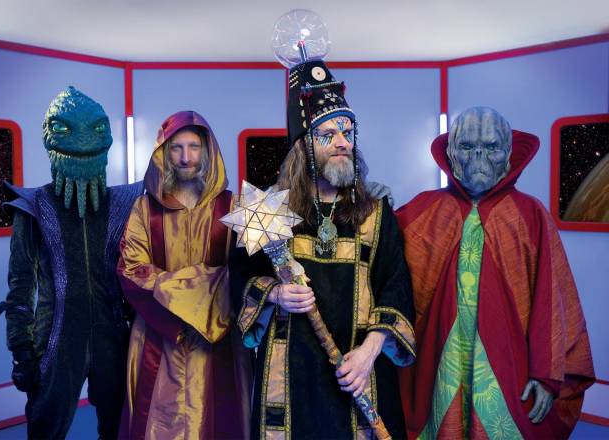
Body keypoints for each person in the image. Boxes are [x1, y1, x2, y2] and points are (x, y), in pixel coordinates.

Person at [229, 58, 416, 439]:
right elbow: (239, 280)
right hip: (291, 378)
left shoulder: (376, 214)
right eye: (328, 134)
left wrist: (368, 354)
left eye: (347, 131)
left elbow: (396, 288)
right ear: (304, 147)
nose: (343, 142)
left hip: (358, 374)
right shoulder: (270, 211)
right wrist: (276, 293)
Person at [396, 107, 595, 439]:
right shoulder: (423, 209)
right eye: (467, 146)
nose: (479, 157)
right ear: (451, 154)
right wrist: (368, 203)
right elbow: (382, 256)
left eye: (490, 147)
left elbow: (551, 299)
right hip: (439, 362)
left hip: (508, 365)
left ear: (508, 154)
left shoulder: (530, 214)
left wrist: (546, 375)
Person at [0, 86, 143, 439]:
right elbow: (20, 287)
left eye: (95, 129)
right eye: (64, 128)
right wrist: (22, 350)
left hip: (113, 334)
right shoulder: (33, 206)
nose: (82, 139)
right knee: (46, 426)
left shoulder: (125, 202)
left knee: (119, 426)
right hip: (56, 337)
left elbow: (136, 270)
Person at [117, 111, 251, 440]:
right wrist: (200, 294)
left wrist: (186, 293)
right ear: (164, 153)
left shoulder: (234, 207)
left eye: (193, 147)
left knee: (221, 421)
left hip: (219, 338)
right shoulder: (144, 209)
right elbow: (131, 270)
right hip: (159, 337)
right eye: (176, 148)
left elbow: (245, 272)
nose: (185, 157)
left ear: (207, 151)